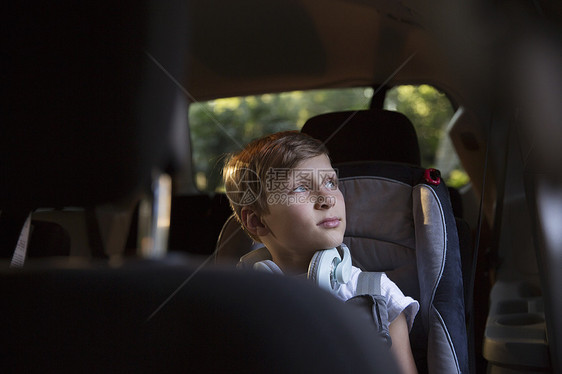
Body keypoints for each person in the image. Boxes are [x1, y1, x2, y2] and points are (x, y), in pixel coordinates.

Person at [223, 131, 419, 374]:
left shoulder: (379, 294)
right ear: (257, 222)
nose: (327, 198)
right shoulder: (240, 302)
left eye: (330, 183)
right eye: (300, 188)